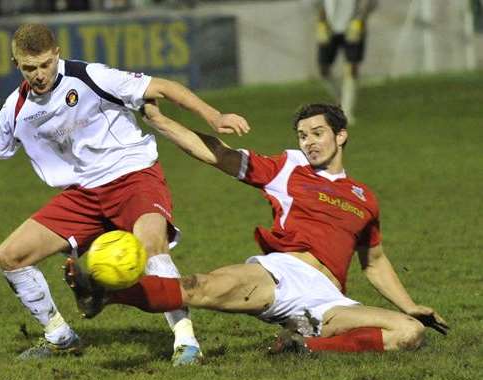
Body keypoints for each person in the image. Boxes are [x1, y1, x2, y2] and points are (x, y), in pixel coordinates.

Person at [0, 23, 250, 363]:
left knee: (151, 247)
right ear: (17, 65)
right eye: (30, 67)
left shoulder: (91, 77)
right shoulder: (16, 108)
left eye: (46, 64)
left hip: (133, 178)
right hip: (83, 196)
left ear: (57, 54)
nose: (40, 74)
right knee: (10, 256)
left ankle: (186, 342)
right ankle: (59, 337)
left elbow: (163, 87)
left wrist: (214, 115)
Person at [65, 102, 448, 354]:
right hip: (282, 274)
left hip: (327, 301)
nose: (310, 142)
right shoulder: (289, 168)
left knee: (409, 333)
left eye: (317, 133)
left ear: (340, 135)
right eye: (303, 135)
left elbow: (375, 263)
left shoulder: (365, 198)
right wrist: (162, 122)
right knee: (202, 287)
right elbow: (220, 155)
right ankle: (103, 293)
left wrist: (411, 307)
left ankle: (304, 346)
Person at [315, 0, 377, 124]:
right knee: (323, 69)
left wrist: (360, 19)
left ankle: (347, 112)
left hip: (352, 25)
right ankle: (341, 97)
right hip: (330, 27)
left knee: (352, 67)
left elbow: (370, 3)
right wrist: (321, 21)